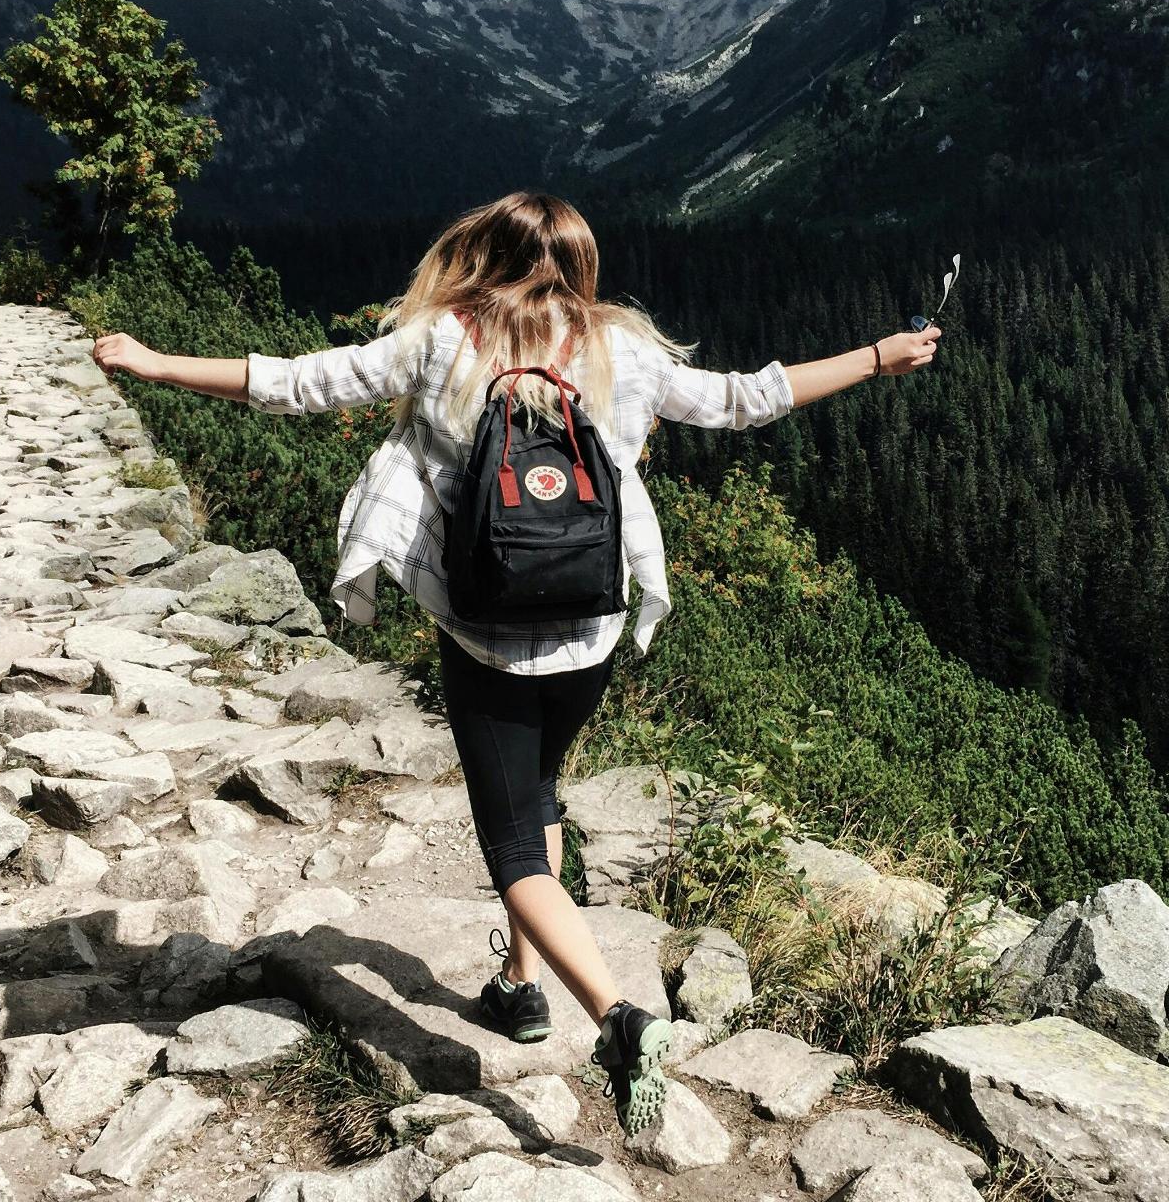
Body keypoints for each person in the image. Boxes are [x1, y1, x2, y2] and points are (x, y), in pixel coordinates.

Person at [92, 191, 939, 1135]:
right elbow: (749, 399)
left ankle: (616, 1020)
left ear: (483, 257)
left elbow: (299, 382)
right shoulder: (624, 348)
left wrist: (155, 362)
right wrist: (878, 355)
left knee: (510, 839)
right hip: (590, 629)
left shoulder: (440, 339)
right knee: (540, 793)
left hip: (486, 635)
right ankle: (517, 987)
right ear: (581, 266)